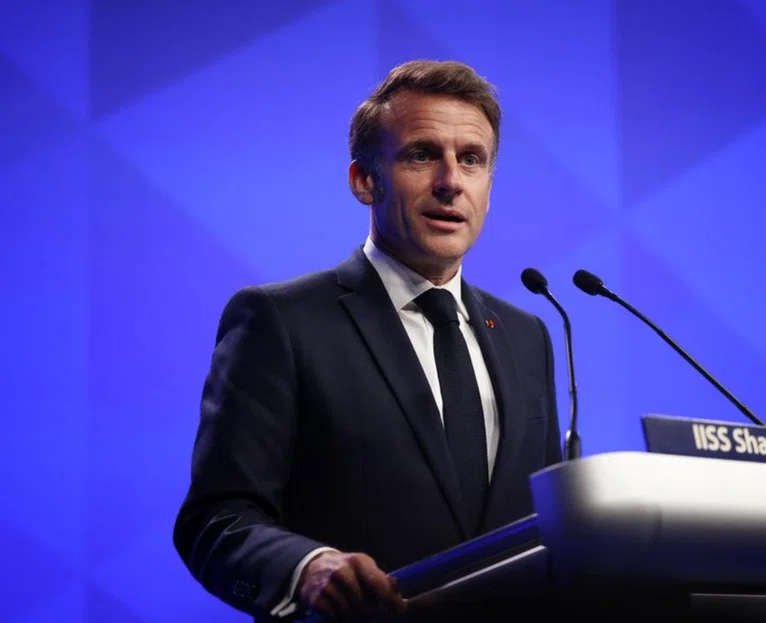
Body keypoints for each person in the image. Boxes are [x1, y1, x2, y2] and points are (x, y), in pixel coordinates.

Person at [172, 59, 563, 622]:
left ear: (488, 184)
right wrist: (305, 567)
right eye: (422, 154)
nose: (451, 180)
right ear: (364, 180)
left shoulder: (529, 336)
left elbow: (545, 524)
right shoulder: (279, 320)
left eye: (471, 159)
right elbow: (216, 519)